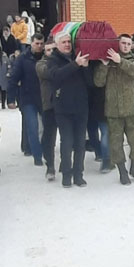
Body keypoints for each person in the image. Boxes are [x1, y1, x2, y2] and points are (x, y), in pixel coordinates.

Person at [93, 33, 134, 184]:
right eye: (123, 43)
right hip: (113, 110)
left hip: (132, 109)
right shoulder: (108, 62)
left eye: (129, 44)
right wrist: (104, 65)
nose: (126, 46)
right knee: (115, 143)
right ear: (118, 44)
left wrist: (120, 61)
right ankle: (122, 171)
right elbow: (98, 82)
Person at [46, 32, 90, 187]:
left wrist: (85, 68)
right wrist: (75, 65)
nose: (67, 45)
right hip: (63, 108)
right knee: (67, 142)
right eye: (63, 42)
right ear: (57, 44)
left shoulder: (78, 57)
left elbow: (89, 82)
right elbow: (56, 76)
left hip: (81, 107)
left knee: (80, 143)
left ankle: (78, 175)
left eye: (68, 42)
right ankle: (66, 175)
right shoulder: (52, 60)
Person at [7, 35, 46, 167]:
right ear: (31, 43)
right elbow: (13, 78)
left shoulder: (47, 57)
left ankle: (45, 150)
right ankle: (37, 156)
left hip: (44, 98)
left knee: (46, 127)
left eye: (41, 43)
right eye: (37, 43)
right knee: (32, 127)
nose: (39, 46)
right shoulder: (23, 58)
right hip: (28, 98)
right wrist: (10, 99)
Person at [36, 36, 58, 181]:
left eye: (53, 49)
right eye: (48, 50)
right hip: (48, 104)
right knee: (49, 136)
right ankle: (50, 164)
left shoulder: (62, 61)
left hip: (63, 103)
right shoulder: (41, 63)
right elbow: (47, 73)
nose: (51, 52)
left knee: (67, 136)